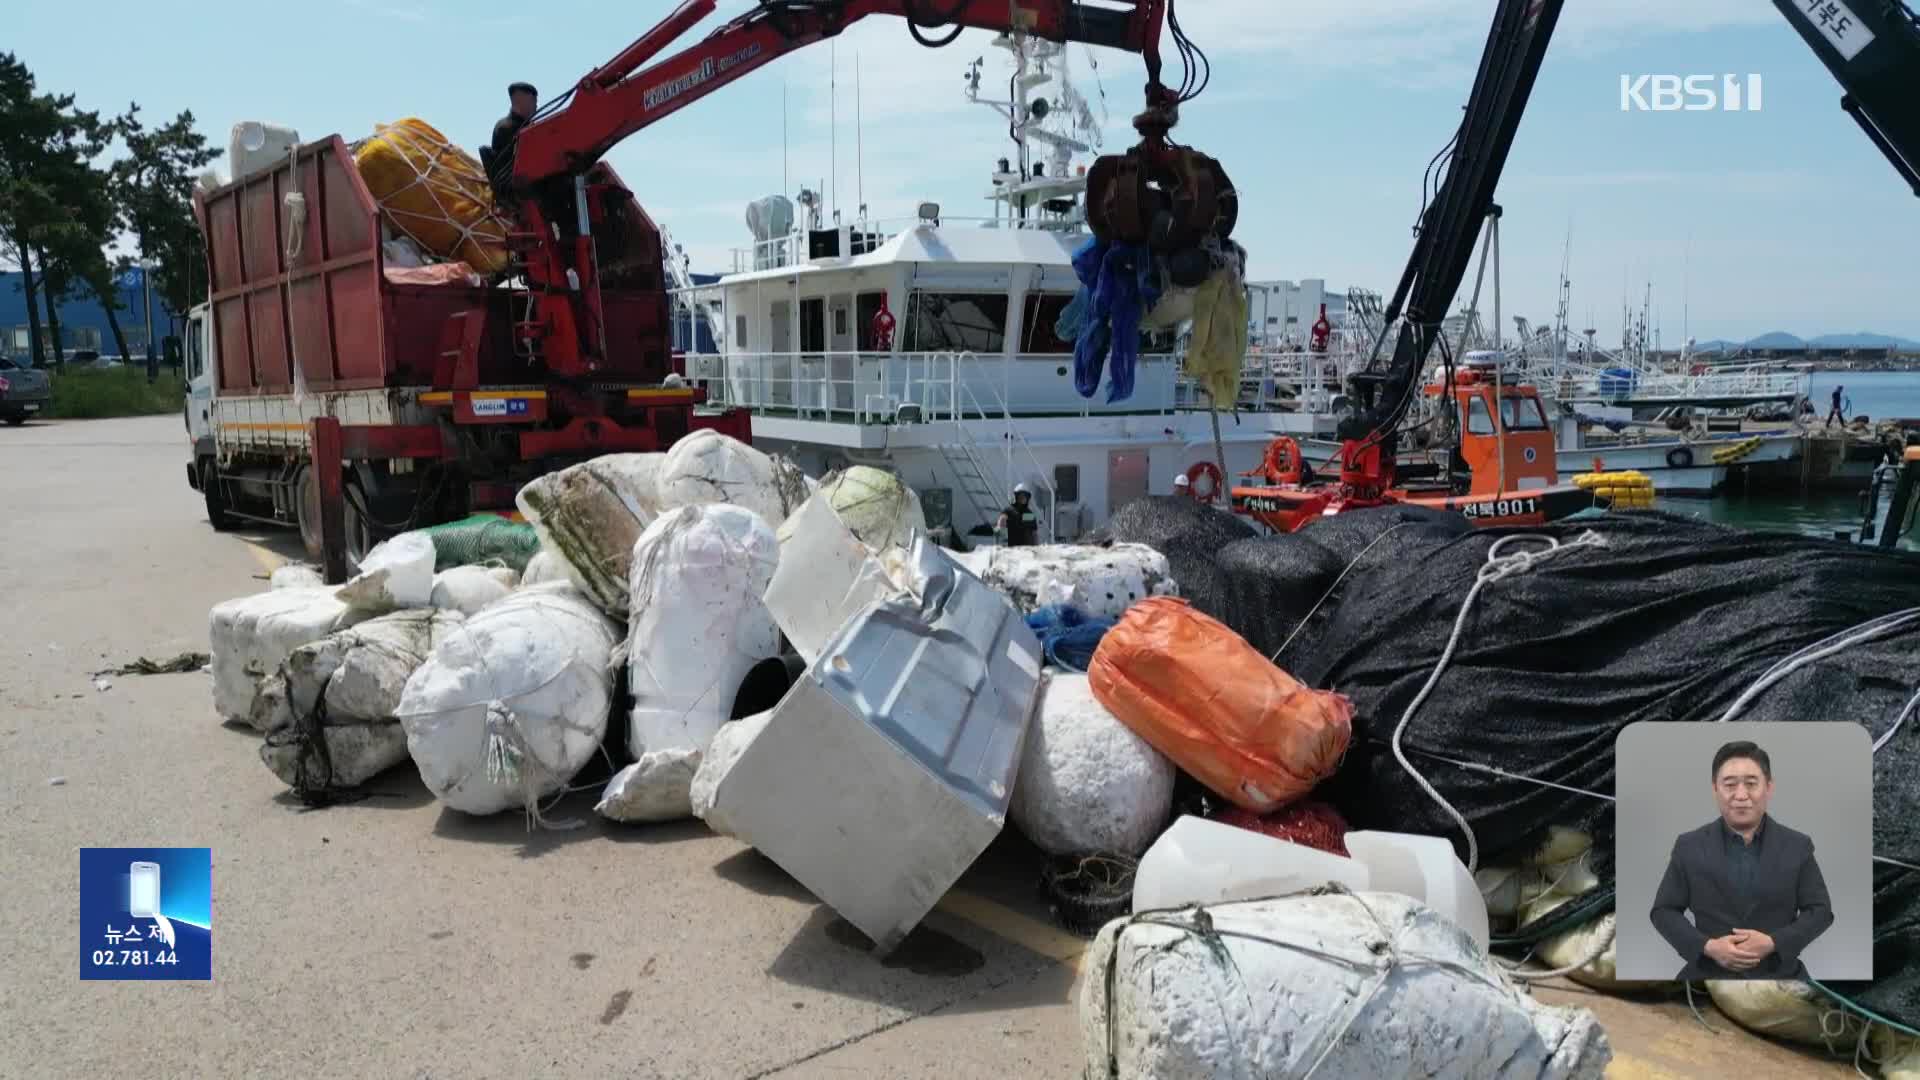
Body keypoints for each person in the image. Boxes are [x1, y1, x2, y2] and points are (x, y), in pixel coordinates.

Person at [1649, 740, 1833, 980]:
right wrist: (1708, 947)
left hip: (1780, 975)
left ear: (1769, 787)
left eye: (1751, 783)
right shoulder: (1689, 846)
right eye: (1730, 784)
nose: (1741, 795)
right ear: (1715, 788)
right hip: (1706, 976)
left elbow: (1820, 911)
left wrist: (1773, 942)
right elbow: (1664, 911)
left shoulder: (1797, 846)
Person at [488, 82, 538, 203]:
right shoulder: (508, 128)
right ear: (520, 100)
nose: (536, 106)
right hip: (517, 188)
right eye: (533, 101)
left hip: (519, 183)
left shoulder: (515, 126)